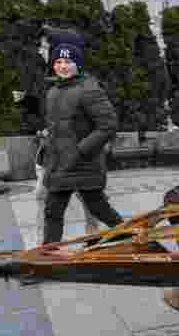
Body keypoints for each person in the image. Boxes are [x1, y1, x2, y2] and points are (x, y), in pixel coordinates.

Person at [41, 32, 124, 244]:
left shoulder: (89, 89)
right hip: (60, 166)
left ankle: (134, 238)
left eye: (68, 61)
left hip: (83, 164)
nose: (62, 66)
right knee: (52, 212)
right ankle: (46, 256)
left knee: (100, 209)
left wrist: (81, 150)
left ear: (77, 64)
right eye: (58, 61)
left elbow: (108, 124)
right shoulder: (53, 92)